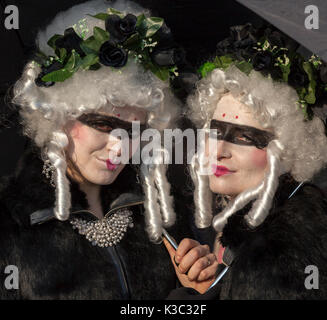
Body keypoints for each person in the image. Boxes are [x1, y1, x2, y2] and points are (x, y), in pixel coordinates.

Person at [0, 0, 216, 299]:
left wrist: (195, 293)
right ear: (57, 115)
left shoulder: (164, 213)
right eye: (102, 124)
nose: (120, 146)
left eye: (134, 130)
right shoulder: (11, 222)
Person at [166, 24, 327, 299]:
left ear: (288, 150)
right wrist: (213, 287)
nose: (219, 151)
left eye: (245, 137)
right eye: (216, 131)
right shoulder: (235, 214)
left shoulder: (283, 248)